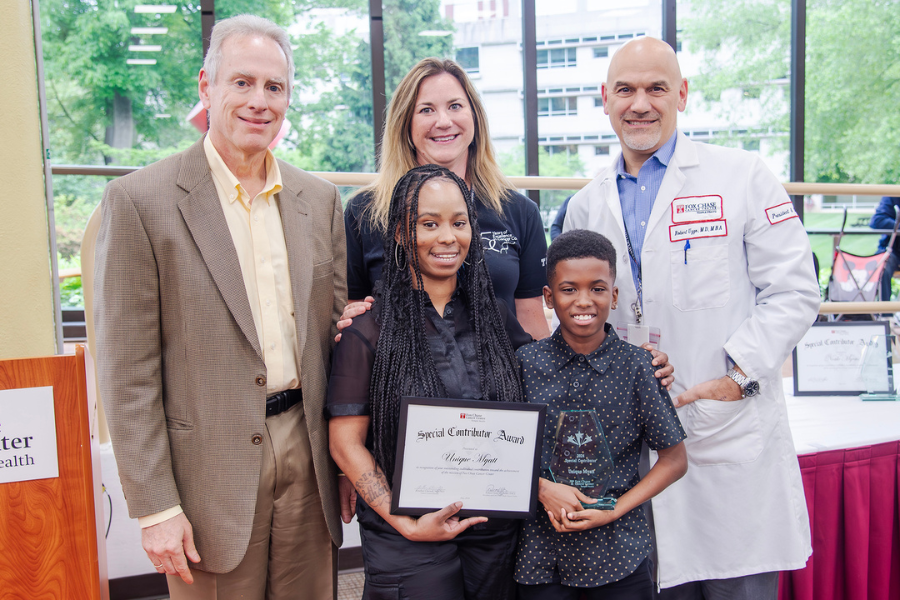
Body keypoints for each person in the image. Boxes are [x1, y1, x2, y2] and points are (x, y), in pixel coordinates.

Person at [94, 15, 347, 599]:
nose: (259, 101)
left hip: (306, 454)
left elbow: (332, 336)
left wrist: (347, 460)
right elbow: (126, 372)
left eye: (274, 87)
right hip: (207, 468)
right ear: (207, 86)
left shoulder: (321, 200)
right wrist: (155, 506)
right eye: (242, 82)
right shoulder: (139, 202)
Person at [563, 37, 820, 598]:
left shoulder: (742, 177)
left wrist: (738, 375)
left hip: (728, 430)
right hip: (637, 449)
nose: (640, 104)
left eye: (657, 88)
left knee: (738, 583)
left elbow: (796, 289)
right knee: (657, 581)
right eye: (626, 90)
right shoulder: (585, 205)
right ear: (604, 98)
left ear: (681, 94)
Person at [327, 165, 533, 600]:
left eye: (459, 223)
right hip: (405, 532)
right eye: (428, 223)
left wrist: (634, 361)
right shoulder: (369, 328)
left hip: (493, 529)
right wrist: (403, 521)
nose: (447, 237)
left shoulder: (495, 319)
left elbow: (556, 373)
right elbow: (346, 442)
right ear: (401, 233)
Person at [515, 229, 687, 600]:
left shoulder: (640, 366)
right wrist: (541, 489)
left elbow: (675, 460)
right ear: (548, 296)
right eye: (568, 289)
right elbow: (501, 452)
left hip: (619, 553)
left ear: (614, 294)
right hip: (541, 556)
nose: (583, 301)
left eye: (596, 288)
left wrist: (615, 510)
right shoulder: (523, 365)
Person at [343, 57, 551, 340]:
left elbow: (531, 321)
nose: (443, 121)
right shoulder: (365, 212)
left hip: (501, 379)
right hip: (399, 379)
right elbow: (352, 314)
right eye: (426, 110)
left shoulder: (519, 212)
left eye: (455, 106)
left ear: (474, 117)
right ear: (406, 124)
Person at [868, 196, 900, 302]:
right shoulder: (894, 194)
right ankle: (885, 314)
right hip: (893, 250)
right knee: (882, 267)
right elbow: (877, 221)